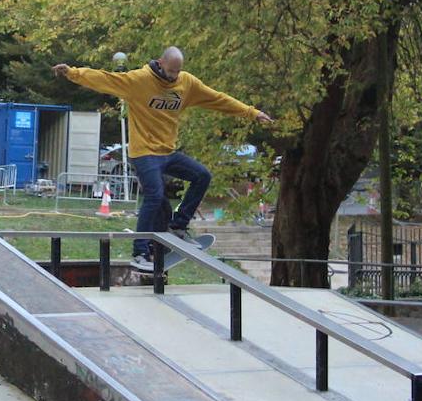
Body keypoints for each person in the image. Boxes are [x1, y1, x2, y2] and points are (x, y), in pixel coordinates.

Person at [53, 47, 272, 271]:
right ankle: (140, 252)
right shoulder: (138, 80)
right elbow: (104, 79)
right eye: (170, 72)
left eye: (177, 72)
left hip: (168, 152)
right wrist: (72, 72)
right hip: (144, 152)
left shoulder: (187, 83)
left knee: (202, 176)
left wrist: (251, 112)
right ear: (160, 63)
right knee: (155, 196)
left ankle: (178, 227)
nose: (174, 77)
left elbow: (218, 98)